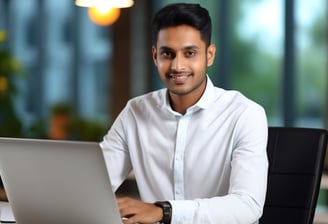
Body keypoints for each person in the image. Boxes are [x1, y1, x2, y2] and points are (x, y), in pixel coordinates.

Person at [100, 3, 268, 224]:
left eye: (190, 53)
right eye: (167, 53)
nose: (177, 65)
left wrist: (165, 211)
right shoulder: (135, 112)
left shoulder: (245, 115)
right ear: (154, 56)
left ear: (209, 55)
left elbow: (247, 206)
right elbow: (94, 183)